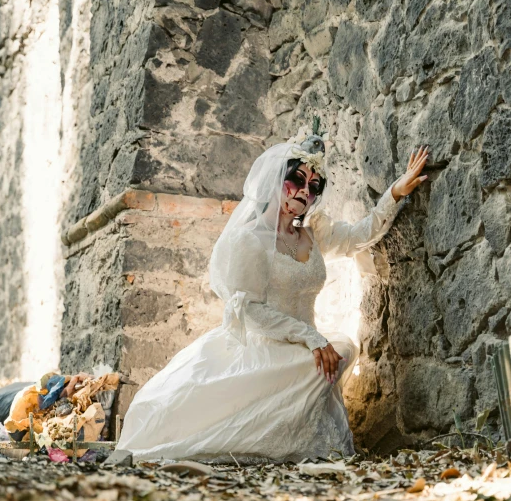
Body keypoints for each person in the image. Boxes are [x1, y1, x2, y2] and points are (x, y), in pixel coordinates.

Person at [113, 128, 429, 464]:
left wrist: (396, 192)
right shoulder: (248, 241)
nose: (305, 192)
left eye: (313, 187)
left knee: (342, 349)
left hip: (307, 347)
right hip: (266, 344)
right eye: (297, 180)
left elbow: (358, 236)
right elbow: (250, 310)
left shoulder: (311, 233)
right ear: (277, 179)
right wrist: (310, 338)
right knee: (324, 356)